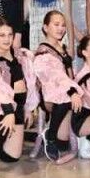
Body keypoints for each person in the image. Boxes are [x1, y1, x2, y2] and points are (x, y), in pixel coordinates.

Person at [0, 19, 38, 165]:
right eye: (2, 35)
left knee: (12, 157)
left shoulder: (21, 56)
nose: (7, 39)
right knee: (4, 118)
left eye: (10, 35)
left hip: (19, 106)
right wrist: (9, 112)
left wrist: (28, 108)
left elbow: (30, 83)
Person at [33, 11, 83, 164]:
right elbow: (55, 77)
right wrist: (72, 91)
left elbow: (68, 76)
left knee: (63, 145)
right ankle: (50, 137)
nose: (61, 28)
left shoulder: (62, 48)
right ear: (45, 27)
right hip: (50, 95)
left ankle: (55, 134)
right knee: (66, 99)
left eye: (63, 25)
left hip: (66, 93)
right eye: (56, 24)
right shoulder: (44, 51)